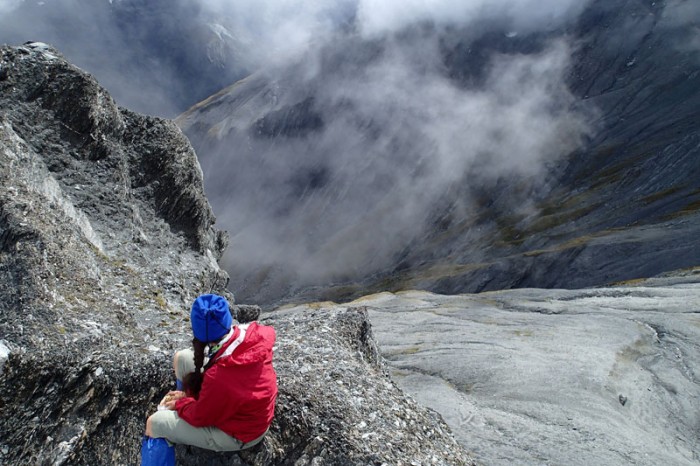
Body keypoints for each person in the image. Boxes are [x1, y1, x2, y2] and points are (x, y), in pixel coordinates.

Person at [144, 293, 277, 452]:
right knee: (182, 359)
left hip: (241, 433)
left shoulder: (219, 376)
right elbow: (227, 384)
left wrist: (181, 404)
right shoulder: (250, 332)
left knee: (156, 424)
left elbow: (201, 416)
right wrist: (188, 398)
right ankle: (180, 417)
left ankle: (173, 425)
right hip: (245, 411)